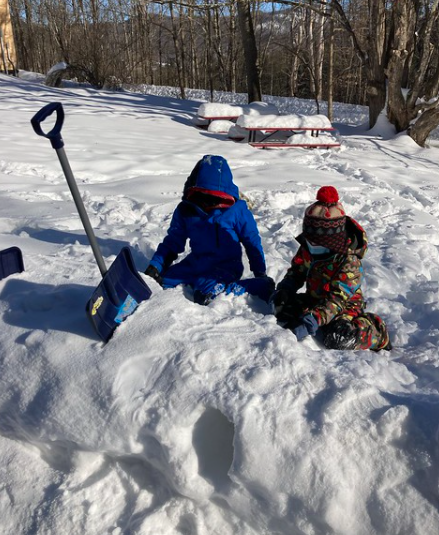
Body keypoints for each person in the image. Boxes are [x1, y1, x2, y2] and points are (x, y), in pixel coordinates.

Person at [271, 186, 391, 351]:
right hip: (314, 300)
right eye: (310, 243)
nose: (312, 248)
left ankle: (376, 330)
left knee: (337, 338)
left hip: (343, 307)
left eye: (318, 246)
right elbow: (297, 272)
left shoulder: (349, 261)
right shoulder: (309, 247)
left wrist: (316, 318)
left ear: (332, 244)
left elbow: (337, 299)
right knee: (284, 308)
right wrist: (286, 289)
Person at [144, 155, 274, 305]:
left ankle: (258, 286)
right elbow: (173, 241)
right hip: (196, 262)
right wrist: (156, 266)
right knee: (163, 283)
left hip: (226, 265)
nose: (210, 204)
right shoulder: (186, 210)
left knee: (207, 294)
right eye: (204, 196)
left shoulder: (237, 211)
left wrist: (260, 272)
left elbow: (252, 241)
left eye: (217, 198)